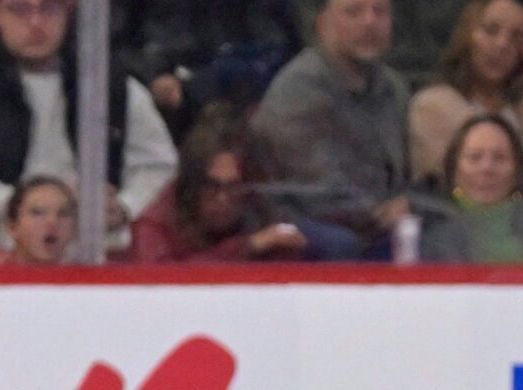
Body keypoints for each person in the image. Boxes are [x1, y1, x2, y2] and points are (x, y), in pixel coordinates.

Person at [0, 0, 176, 246]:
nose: (36, 23)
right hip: (3, 244)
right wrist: (39, 212)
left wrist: (125, 206)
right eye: (20, 9)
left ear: (68, 12)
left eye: (49, 7)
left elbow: (158, 163)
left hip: (101, 243)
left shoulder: (109, 79)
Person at [252, 0, 412, 252]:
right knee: (342, 243)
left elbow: (404, 175)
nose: (369, 22)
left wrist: (410, 205)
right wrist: (385, 212)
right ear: (323, 24)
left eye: (379, 12)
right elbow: (319, 192)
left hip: (376, 220)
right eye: (353, 12)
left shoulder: (394, 88)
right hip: (300, 221)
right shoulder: (298, 90)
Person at [128, 109, 312, 257]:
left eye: (233, 187)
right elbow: (167, 286)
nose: (223, 199)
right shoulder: (154, 228)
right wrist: (246, 247)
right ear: (192, 187)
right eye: (211, 186)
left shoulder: (257, 214)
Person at [114, 0, 302, 133]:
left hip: (237, 109)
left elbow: (277, 51)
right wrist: (152, 77)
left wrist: (199, 84)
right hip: (152, 112)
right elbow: (110, 44)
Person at [407, 0, 523, 181]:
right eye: (491, 30)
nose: (502, 44)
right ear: (468, 35)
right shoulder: (433, 107)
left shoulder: (518, 110)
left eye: (516, 36)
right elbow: (437, 187)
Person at [418, 107, 523, 249]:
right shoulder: (424, 230)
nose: (487, 168)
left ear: (517, 169)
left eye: (499, 158)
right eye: (474, 157)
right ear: (454, 168)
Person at [0, 169, 73, 258]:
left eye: (63, 214)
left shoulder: (85, 282)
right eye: (37, 213)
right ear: (12, 227)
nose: (53, 222)